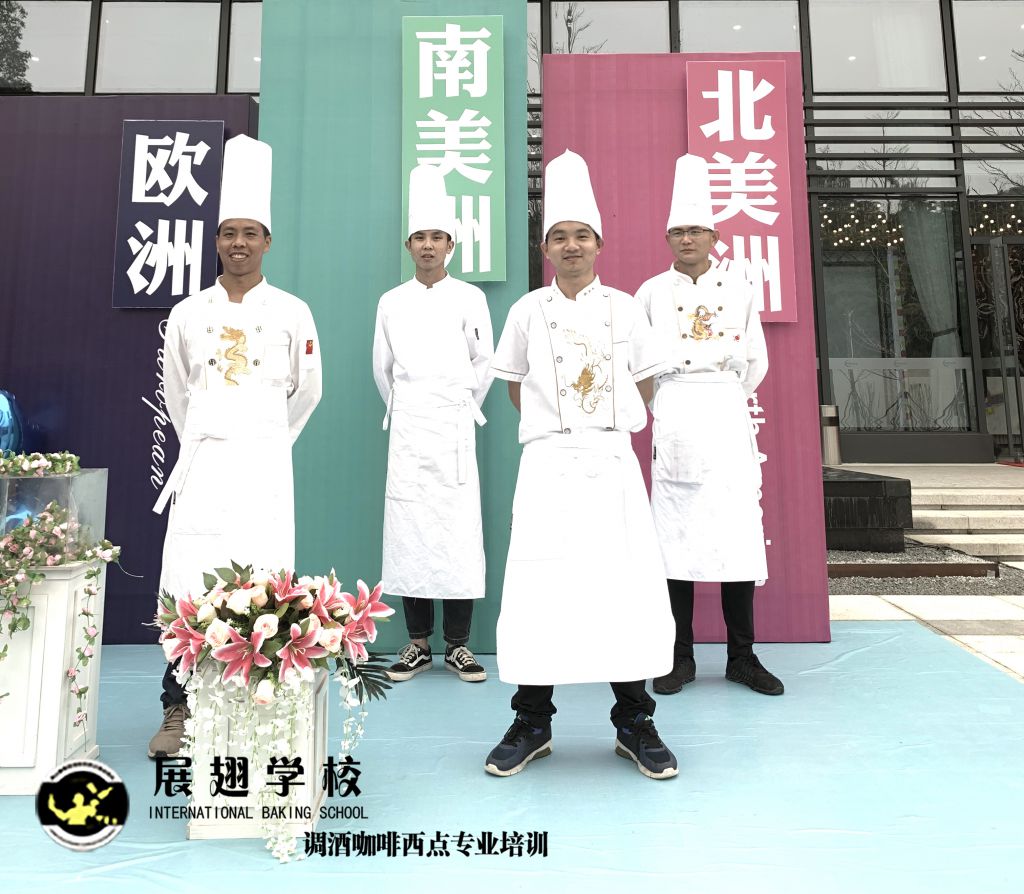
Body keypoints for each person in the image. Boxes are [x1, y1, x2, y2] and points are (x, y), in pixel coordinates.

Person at [485, 150, 678, 780]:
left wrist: (602, 426)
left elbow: (645, 381)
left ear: (599, 243)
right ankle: (532, 720)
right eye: (560, 237)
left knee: (623, 587)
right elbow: (515, 385)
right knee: (540, 590)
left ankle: (634, 720)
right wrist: (558, 430)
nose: (571, 246)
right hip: (547, 463)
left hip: (611, 461)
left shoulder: (625, 307)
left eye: (582, 236)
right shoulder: (525, 311)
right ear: (546, 248)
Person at [148, 135, 323, 757]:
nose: (239, 243)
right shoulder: (188, 312)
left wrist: (266, 438)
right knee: (187, 578)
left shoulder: (293, 312)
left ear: (268, 241)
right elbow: (176, 390)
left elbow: (307, 390)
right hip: (204, 463)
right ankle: (177, 706)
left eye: (250, 233)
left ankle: (255, 705)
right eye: (229, 233)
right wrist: (212, 433)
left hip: (264, 466)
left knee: (263, 576)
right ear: (216, 240)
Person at [635, 153, 782, 697]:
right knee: (674, 538)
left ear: (714, 236)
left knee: (736, 536)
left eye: (696, 230)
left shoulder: (739, 287)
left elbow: (756, 360)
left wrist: (723, 396)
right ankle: (680, 656)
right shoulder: (650, 292)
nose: (687, 239)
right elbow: (638, 366)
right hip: (675, 409)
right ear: (667, 238)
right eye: (678, 231)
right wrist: (668, 404)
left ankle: (743, 656)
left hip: (724, 410)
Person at [372, 164, 494, 684]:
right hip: (409, 427)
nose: (427, 245)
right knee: (409, 533)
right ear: (408, 245)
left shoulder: (470, 298)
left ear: (450, 245)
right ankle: (418, 642)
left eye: (436, 237)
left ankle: (459, 645)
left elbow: (484, 364)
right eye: (419, 237)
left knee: (457, 534)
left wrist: (457, 404)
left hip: (453, 426)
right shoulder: (391, 302)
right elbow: (382, 369)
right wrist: (409, 406)